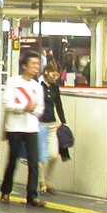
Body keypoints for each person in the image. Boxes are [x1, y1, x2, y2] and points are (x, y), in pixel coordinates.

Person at [0, 52, 46, 207]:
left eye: (38, 64)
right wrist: (24, 107)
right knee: (13, 160)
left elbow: (40, 110)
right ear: (24, 66)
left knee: (34, 162)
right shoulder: (13, 82)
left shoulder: (37, 87)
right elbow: (7, 104)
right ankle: (6, 191)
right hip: (14, 128)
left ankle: (32, 196)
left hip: (32, 128)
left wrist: (30, 109)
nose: (36, 67)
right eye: (33, 64)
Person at [38, 61, 67, 194]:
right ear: (46, 72)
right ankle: (43, 183)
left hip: (52, 124)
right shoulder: (38, 86)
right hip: (40, 124)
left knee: (53, 155)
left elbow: (58, 105)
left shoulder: (55, 88)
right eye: (53, 75)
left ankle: (47, 180)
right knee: (41, 157)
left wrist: (64, 122)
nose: (55, 78)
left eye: (57, 76)